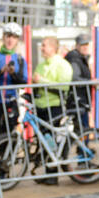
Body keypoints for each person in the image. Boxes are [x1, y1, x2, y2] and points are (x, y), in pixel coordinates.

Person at [33, 36, 73, 185]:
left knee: (52, 142)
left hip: (54, 107)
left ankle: (53, 176)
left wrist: (41, 81)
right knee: (45, 142)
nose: (42, 48)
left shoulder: (63, 65)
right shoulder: (42, 65)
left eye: (44, 46)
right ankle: (49, 173)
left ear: (53, 47)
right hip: (41, 107)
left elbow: (63, 86)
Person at [0, 22, 28, 140]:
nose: (10, 40)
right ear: (3, 37)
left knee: (9, 134)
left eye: (14, 37)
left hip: (11, 102)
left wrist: (13, 73)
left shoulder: (19, 59)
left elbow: (24, 82)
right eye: (8, 36)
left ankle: (7, 157)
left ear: (17, 40)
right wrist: (1, 72)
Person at [64, 33, 95, 130]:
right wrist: (90, 82)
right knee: (83, 128)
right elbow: (75, 78)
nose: (85, 47)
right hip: (77, 100)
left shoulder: (81, 58)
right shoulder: (74, 58)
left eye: (86, 44)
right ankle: (82, 145)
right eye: (82, 45)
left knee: (80, 128)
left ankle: (80, 145)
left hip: (80, 100)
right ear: (77, 45)